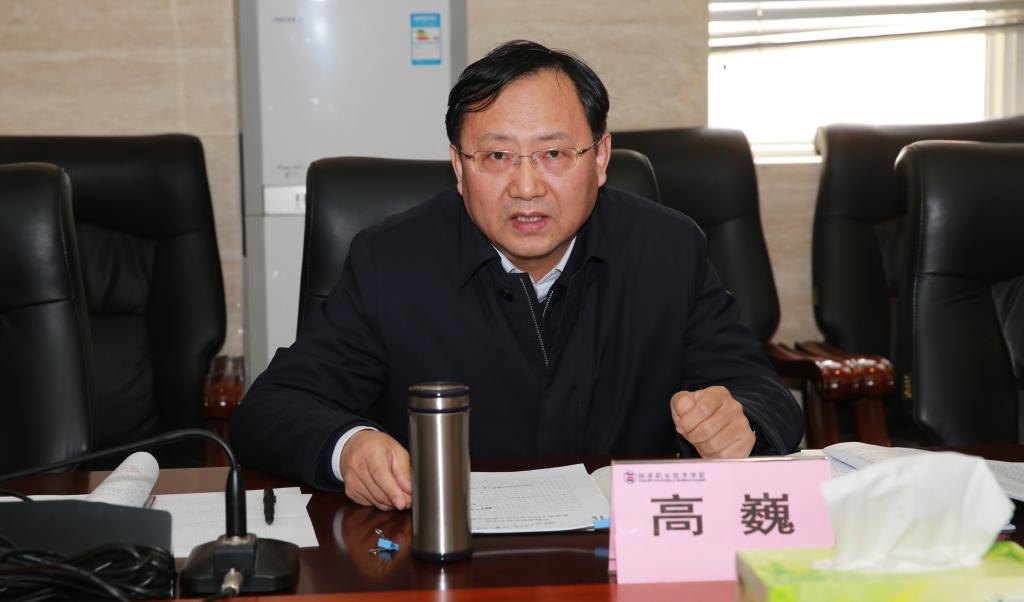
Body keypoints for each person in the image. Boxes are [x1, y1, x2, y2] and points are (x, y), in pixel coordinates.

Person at [231, 40, 803, 510]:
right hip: (444, 556)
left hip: (620, 554)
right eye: (497, 157)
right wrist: (350, 447)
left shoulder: (665, 249)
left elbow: (762, 390)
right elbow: (273, 407)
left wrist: (741, 422)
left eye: (554, 155)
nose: (526, 188)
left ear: (600, 158)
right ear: (459, 168)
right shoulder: (392, 262)